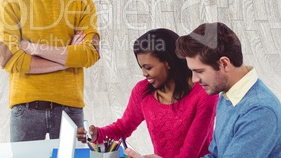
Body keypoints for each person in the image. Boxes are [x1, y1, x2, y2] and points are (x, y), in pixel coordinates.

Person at [0, 0, 100, 142]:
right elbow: (10, 59)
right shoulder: (11, 0)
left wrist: (34, 48)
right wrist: (67, 56)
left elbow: (90, 54)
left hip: (70, 110)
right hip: (25, 109)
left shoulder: (82, 2)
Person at [77, 28, 218, 158]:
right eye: (141, 67)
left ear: (168, 62)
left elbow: (189, 154)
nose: (144, 74)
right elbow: (123, 128)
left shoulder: (204, 93)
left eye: (148, 67)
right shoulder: (142, 91)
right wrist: (97, 134)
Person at [175, 22, 281, 157]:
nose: (194, 79)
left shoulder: (261, 111)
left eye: (199, 71)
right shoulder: (228, 95)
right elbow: (215, 155)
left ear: (224, 64)